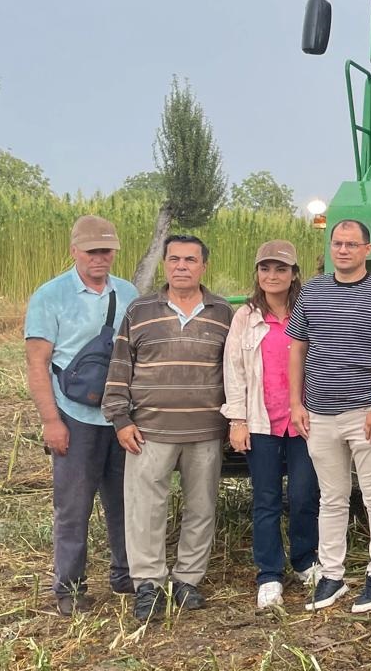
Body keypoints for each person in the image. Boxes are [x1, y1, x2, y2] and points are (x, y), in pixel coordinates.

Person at [103, 235, 233, 623]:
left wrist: (233, 420)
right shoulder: (140, 310)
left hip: (205, 429)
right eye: (174, 259)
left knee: (201, 507)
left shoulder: (223, 312)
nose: (181, 266)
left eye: (190, 260)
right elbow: (120, 366)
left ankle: (187, 580)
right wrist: (120, 419)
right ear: (164, 265)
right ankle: (148, 584)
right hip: (149, 429)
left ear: (203, 266)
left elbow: (234, 371)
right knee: (145, 509)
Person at [23, 215, 140, 615]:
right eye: (92, 251)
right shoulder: (50, 296)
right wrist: (51, 421)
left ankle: (126, 575)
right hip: (74, 417)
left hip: (120, 418)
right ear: (74, 251)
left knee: (125, 501)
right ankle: (69, 589)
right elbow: (38, 364)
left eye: (106, 251)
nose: (100, 258)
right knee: (73, 507)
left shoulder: (128, 293)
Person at [288, 220, 371, 613]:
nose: (343, 250)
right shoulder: (313, 291)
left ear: (367, 249)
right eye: (337, 243)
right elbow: (298, 348)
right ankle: (332, 575)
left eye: (351, 244)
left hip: (365, 412)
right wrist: (296, 402)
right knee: (332, 497)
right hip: (319, 412)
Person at [222, 240, 320, 610]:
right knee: (265, 499)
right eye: (265, 269)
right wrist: (237, 419)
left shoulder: (308, 311)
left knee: (303, 495)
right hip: (262, 421)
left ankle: (305, 560)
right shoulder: (245, 317)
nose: (272, 276)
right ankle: (269, 574)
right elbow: (234, 370)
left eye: (281, 269)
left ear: (294, 273)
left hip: (304, 419)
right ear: (257, 274)